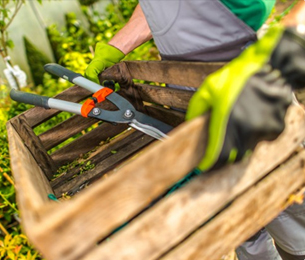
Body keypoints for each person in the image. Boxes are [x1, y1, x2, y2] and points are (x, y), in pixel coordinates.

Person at [85, 1, 305, 259]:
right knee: (234, 205)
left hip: (248, 78)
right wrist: (115, 47)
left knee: (286, 198)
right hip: (185, 87)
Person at [85, 0, 276, 84]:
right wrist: (114, 48)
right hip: (183, 87)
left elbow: (255, 8)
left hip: (239, 76)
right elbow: (160, 7)